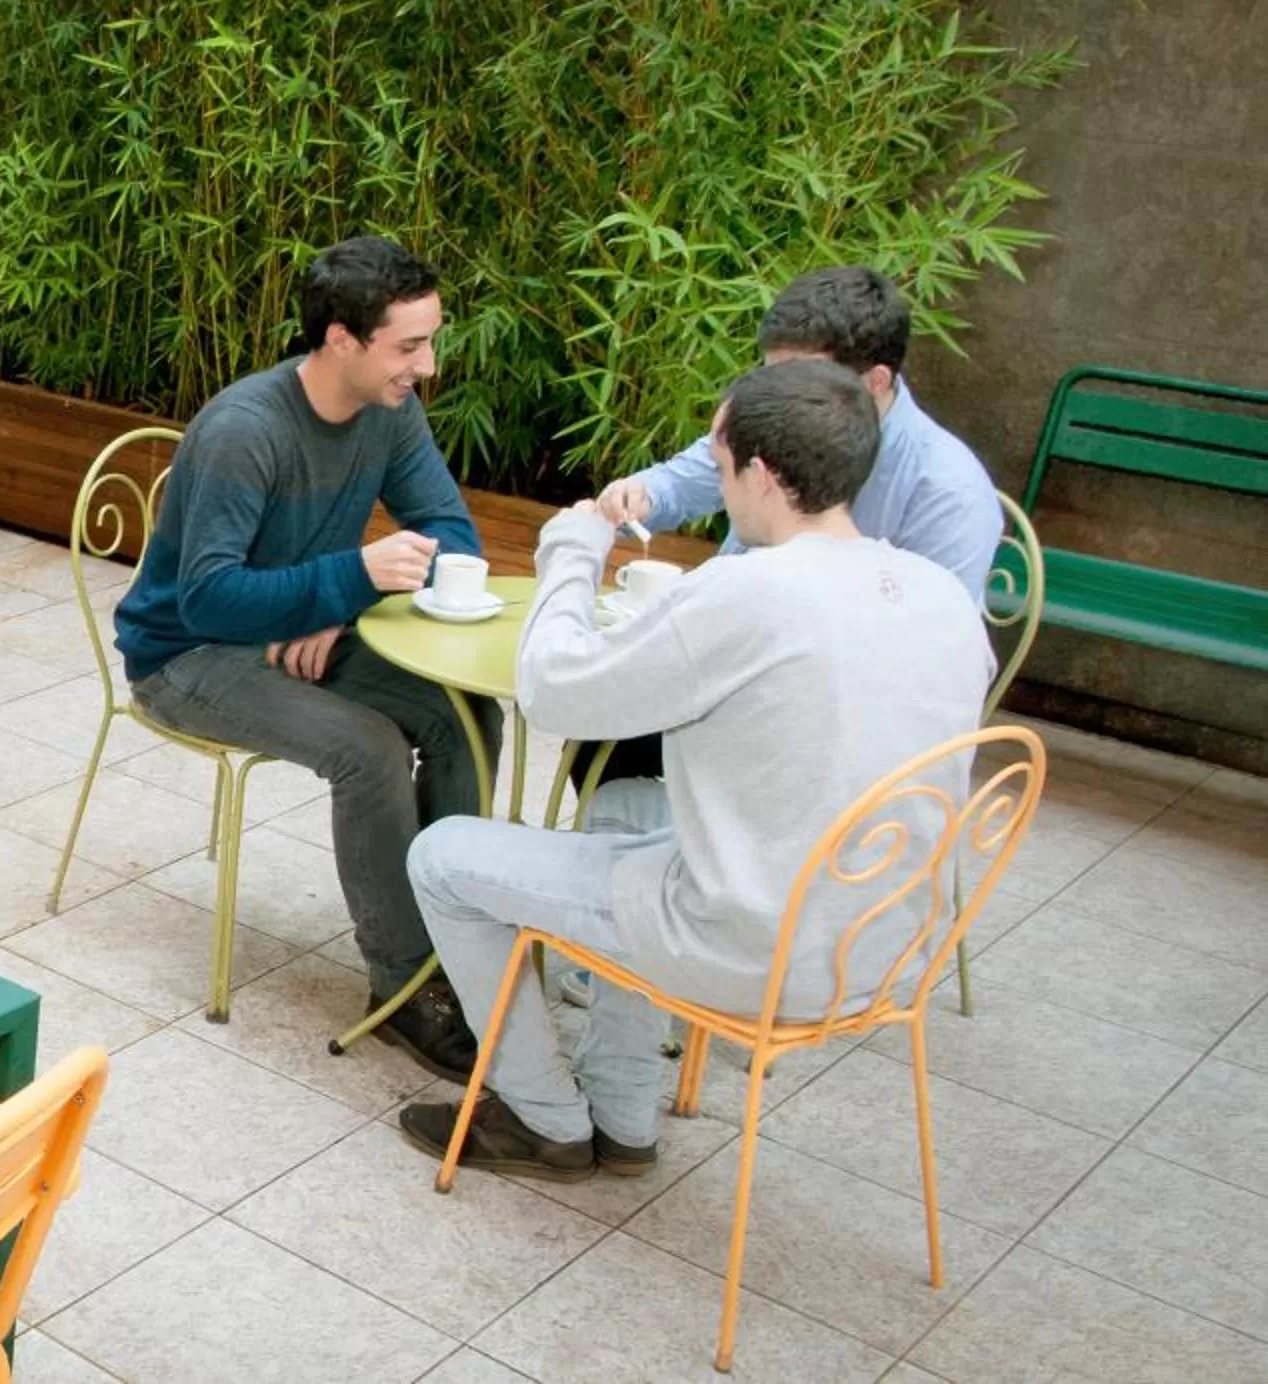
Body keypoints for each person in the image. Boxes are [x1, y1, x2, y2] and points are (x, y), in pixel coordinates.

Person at [399, 360, 989, 1181]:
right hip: (881, 941)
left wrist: (570, 551)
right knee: (629, 804)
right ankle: (625, 1113)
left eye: (718, 468)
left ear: (761, 475)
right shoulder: (942, 595)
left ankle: (540, 1115)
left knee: (444, 859)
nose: (718, 484)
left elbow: (555, 691)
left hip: (753, 947)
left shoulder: (753, 590)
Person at [108, 234, 500, 1079]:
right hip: (188, 657)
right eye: (409, 346)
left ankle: (457, 942)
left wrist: (343, 598)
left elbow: (452, 532)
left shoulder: (389, 413)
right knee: (369, 750)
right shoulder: (245, 431)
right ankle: (402, 988)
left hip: (292, 630)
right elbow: (205, 598)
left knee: (467, 713)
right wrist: (344, 575)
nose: (425, 367)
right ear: (339, 341)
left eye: (429, 341)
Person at [572, 266, 999, 789]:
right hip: (731, 666)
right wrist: (642, 494)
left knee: (609, 707)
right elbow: (686, 477)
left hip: (815, 727)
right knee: (601, 718)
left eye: (800, 379)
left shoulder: (948, 492)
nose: (779, 395)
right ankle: (642, 851)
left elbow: (932, 667)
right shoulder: (780, 420)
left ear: (875, 381)